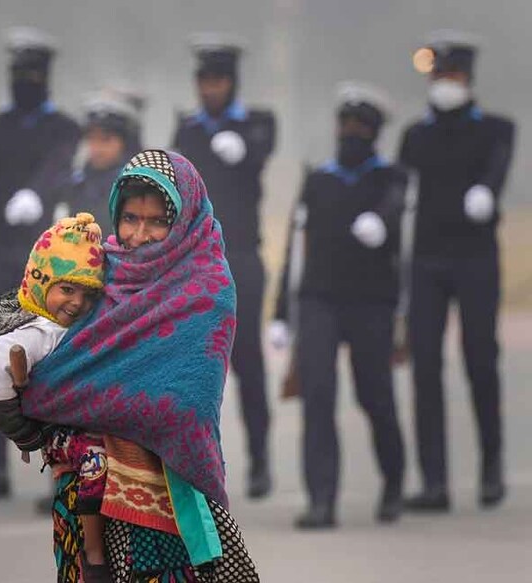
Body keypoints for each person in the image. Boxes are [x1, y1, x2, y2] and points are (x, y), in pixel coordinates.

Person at [22, 150, 259, 581]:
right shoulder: (97, 275)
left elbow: (184, 408)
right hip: (83, 492)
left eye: (156, 221)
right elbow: (48, 354)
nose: (140, 234)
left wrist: (73, 400)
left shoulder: (207, 288)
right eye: (130, 218)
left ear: (183, 219)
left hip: (167, 497)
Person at [270, 82, 408, 529]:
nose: (350, 133)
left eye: (360, 127)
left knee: (375, 395)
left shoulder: (390, 178)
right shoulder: (319, 179)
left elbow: (402, 227)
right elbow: (295, 248)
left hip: (371, 302)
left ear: (375, 132)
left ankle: (393, 480)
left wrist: (383, 220)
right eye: (345, 124)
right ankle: (322, 498)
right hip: (320, 300)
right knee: (318, 396)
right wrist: (279, 315)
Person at [398, 30, 516, 512]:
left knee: (480, 360)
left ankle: (491, 469)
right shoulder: (416, 134)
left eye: (453, 74)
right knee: (425, 367)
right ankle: (434, 482)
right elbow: (400, 192)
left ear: (468, 77)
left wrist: (488, 189)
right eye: (439, 74)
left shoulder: (495, 128)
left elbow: (499, 163)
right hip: (426, 260)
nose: (446, 82)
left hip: (474, 258)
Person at [0, 26, 81, 498]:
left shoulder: (63, 129)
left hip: (43, 259)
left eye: (33, 73)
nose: (25, 80)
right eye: (19, 72)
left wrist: (38, 192)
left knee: (51, 360)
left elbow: (62, 166)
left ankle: (60, 466)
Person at [0, 212, 107, 573]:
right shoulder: (40, 330)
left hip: (83, 447)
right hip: (76, 449)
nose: (77, 303)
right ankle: (94, 556)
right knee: (94, 468)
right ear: (39, 282)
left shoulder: (76, 324)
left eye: (87, 294)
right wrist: (18, 428)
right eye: (67, 289)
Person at [172, 34, 276, 499]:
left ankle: (260, 460)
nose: (209, 90)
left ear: (231, 83)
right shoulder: (188, 129)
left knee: (247, 360)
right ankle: (193, 460)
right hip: (196, 259)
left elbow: (261, 154)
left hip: (241, 257)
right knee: (194, 364)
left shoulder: (257, 123)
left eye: (217, 81)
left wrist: (244, 150)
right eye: (204, 81)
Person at [61, 91, 142, 226]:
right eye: (92, 139)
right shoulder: (77, 184)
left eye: (106, 140)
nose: (97, 148)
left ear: (124, 143)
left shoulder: (137, 186)